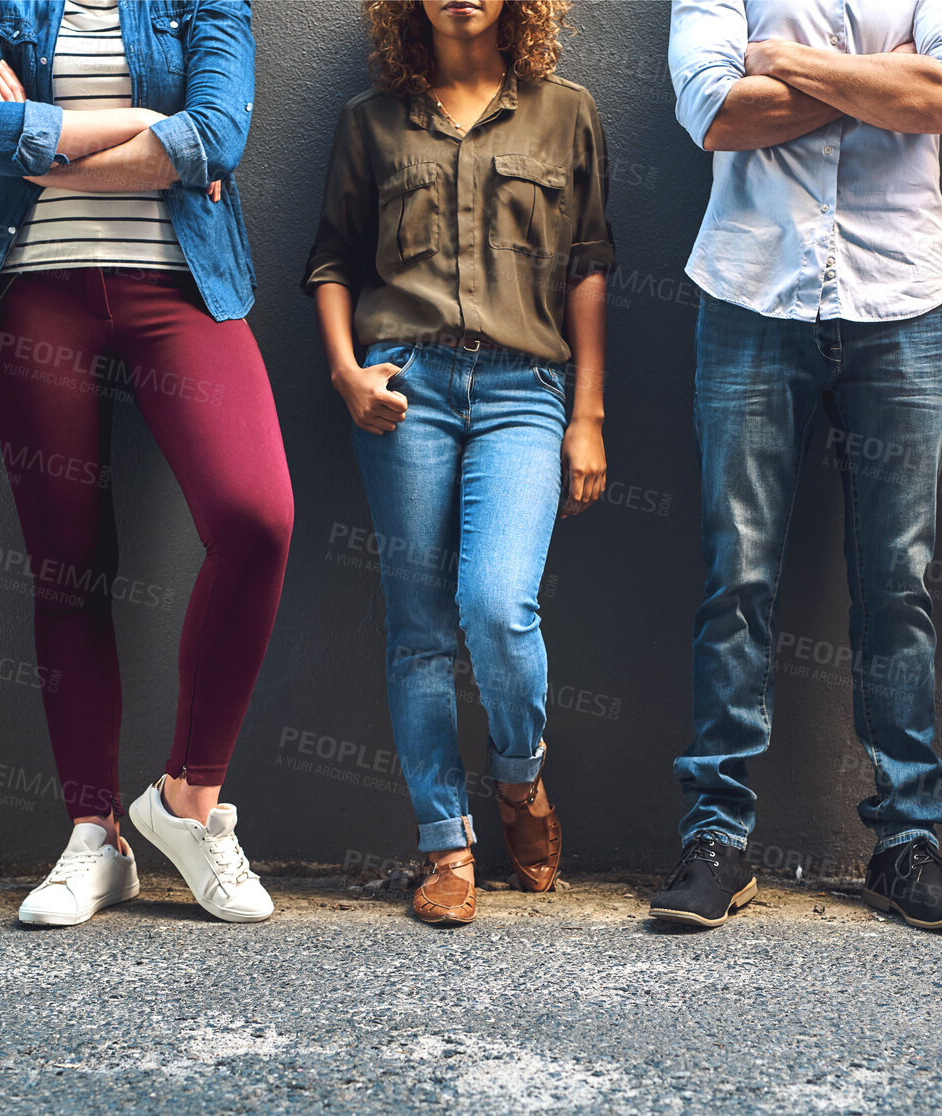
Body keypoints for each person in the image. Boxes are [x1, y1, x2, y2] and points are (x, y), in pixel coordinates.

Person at [0, 0, 292, 927]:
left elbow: (218, 133)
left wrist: (47, 153)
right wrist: (149, 127)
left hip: (180, 286)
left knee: (257, 517)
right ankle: (92, 835)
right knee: (68, 571)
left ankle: (188, 801)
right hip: (37, 297)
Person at [655, 0, 942, 932]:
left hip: (903, 304)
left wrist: (784, 62)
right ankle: (716, 837)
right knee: (739, 577)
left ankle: (906, 844)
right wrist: (881, 84)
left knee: (899, 583)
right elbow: (714, 112)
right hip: (750, 296)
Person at [304, 0, 612, 925]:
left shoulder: (567, 112)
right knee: (420, 628)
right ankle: (445, 845)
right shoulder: (370, 120)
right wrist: (346, 375)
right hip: (409, 386)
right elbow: (330, 263)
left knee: (496, 603)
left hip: (525, 388)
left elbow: (590, 265)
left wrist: (587, 413)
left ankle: (520, 779)